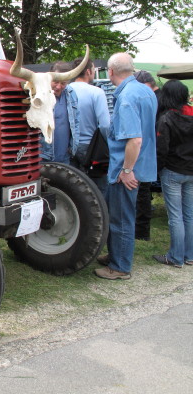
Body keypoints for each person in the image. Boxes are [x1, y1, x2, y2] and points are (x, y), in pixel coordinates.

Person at [94, 53, 157, 280]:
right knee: (121, 215)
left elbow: (135, 139)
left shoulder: (127, 97)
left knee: (121, 218)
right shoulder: (146, 91)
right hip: (139, 166)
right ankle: (115, 256)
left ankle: (119, 267)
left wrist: (127, 170)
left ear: (110, 71)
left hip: (125, 171)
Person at [152, 79, 193, 268]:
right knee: (189, 215)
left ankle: (176, 257)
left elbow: (162, 148)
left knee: (175, 216)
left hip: (173, 171)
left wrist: (158, 169)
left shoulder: (167, 118)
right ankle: (189, 255)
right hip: (191, 171)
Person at [69, 56, 111, 194]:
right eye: (93, 70)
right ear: (88, 71)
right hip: (92, 148)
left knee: (75, 189)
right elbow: (105, 125)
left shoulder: (65, 91)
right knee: (99, 190)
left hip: (69, 147)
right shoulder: (96, 92)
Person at [133, 70, 160, 241]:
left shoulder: (154, 98)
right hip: (150, 149)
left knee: (142, 192)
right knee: (143, 191)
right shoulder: (155, 96)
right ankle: (142, 229)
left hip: (145, 150)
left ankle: (142, 231)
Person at [40, 61, 80, 164]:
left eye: (63, 83)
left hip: (65, 156)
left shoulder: (71, 93)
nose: (58, 86)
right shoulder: (39, 94)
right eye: (56, 82)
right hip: (43, 156)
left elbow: (76, 122)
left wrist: (73, 146)